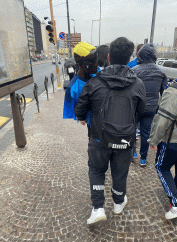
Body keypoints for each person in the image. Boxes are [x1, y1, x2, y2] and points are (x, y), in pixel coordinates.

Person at [74, 37, 146, 225]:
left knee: (96, 170)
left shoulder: (95, 82)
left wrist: (82, 117)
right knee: (120, 173)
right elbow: (141, 111)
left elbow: (80, 109)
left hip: (99, 138)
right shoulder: (138, 84)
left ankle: (98, 208)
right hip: (126, 139)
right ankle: (118, 203)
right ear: (130, 56)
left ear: (108, 56)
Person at [148, 47, 177, 220]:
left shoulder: (175, 89)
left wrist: (154, 139)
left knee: (161, 166)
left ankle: (175, 204)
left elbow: (163, 119)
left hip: (173, 141)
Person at [132, 44, 168, 167]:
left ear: (140, 55)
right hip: (151, 108)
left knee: (132, 130)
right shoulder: (161, 72)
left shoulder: (134, 70)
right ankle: (143, 158)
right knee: (146, 133)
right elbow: (164, 93)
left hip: (136, 108)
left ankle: (133, 153)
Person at [63, 42, 97, 124]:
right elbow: (73, 111)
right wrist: (82, 117)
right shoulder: (72, 88)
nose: (96, 64)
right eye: (92, 62)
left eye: (96, 60)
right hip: (92, 125)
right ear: (82, 64)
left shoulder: (98, 75)